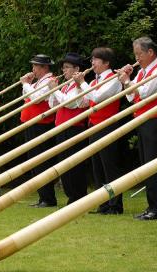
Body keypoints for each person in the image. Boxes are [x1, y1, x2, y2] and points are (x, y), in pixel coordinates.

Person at [117, 36, 157, 220]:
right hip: (143, 120)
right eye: (135, 54)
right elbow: (131, 98)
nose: (137, 58)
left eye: (139, 54)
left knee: (152, 166)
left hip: (156, 122)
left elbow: (145, 93)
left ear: (150, 52)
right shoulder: (142, 72)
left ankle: (156, 209)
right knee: (145, 165)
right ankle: (151, 207)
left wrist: (128, 81)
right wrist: (126, 80)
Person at [73, 47, 124, 214]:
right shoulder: (94, 81)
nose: (92, 63)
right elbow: (83, 104)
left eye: (96, 60)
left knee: (109, 166)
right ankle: (103, 203)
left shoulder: (113, 79)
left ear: (106, 62)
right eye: (92, 59)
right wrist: (79, 87)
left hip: (107, 126)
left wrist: (82, 83)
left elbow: (97, 97)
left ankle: (115, 204)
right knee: (97, 168)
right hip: (94, 126)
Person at [48, 53, 88, 205]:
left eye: (67, 67)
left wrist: (55, 90)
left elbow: (70, 103)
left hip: (74, 128)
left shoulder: (78, 86)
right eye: (63, 68)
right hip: (61, 127)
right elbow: (53, 105)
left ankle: (78, 195)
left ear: (76, 69)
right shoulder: (65, 86)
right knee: (63, 162)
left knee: (75, 164)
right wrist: (53, 90)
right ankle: (70, 195)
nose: (64, 71)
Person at [20, 54, 57, 208]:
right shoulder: (37, 82)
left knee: (42, 162)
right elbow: (26, 97)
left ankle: (48, 198)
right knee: (34, 162)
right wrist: (27, 84)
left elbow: (37, 98)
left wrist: (26, 84)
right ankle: (42, 197)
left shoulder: (50, 80)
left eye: (35, 66)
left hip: (41, 125)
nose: (33, 69)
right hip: (32, 124)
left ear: (44, 67)